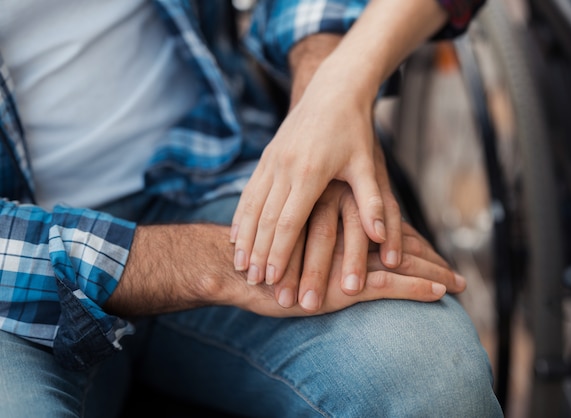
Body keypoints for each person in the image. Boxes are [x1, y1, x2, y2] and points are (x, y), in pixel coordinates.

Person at [0, 0, 502, 417]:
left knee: (433, 376)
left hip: (205, 163)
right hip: (16, 274)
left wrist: (323, 94)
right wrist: (212, 266)